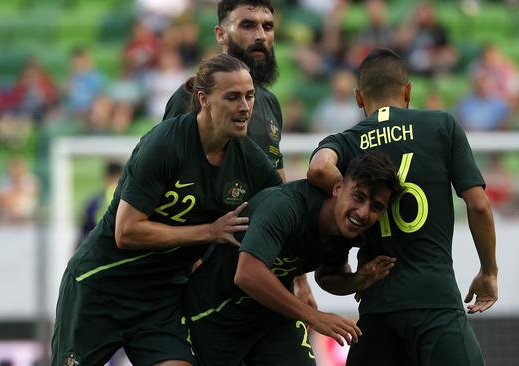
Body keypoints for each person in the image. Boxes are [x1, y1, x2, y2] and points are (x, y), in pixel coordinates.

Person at [51, 53, 283, 366]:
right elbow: (127, 231)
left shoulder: (250, 160)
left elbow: (287, 208)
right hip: (102, 289)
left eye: (249, 96)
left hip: (160, 301)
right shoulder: (165, 143)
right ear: (204, 99)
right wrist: (209, 232)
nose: (244, 107)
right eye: (232, 97)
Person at [308, 48, 498, 366]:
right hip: (434, 301)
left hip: (378, 308)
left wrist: (349, 193)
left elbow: (317, 169)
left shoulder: (346, 141)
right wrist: (488, 272)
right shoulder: (442, 126)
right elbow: (478, 206)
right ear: (408, 91)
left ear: (358, 97)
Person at [161, 0, 317, 308]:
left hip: (261, 265)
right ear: (221, 34)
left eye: (267, 27)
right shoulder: (191, 96)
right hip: (202, 271)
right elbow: (166, 182)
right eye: (247, 25)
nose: (260, 35)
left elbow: (278, 191)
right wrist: (189, 255)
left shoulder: (270, 103)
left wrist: (299, 277)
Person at [183, 152, 403, 366]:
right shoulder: (286, 206)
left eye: (376, 207)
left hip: (272, 316)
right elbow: (247, 274)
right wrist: (314, 316)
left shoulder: (347, 230)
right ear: (337, 188)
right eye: (359, 197)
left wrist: (355, 281)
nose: (363, 213)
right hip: (215, 311)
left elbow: (326, 276)